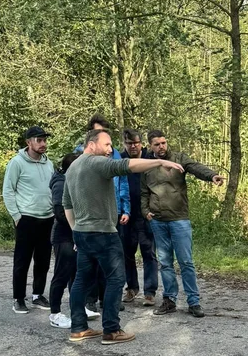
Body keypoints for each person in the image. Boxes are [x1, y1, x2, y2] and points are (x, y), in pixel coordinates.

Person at [63, 128, 184, 344]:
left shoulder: (73, 167)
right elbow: (126, 165)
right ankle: (111, 330)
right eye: (107, 144)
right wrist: (158, 162)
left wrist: (75, 230)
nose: (111, 149)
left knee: (81, 279)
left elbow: (67, 204)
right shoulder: (95, 162)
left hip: (82, 233)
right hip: (103, 234)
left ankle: (78, 328)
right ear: (91, 144)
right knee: (116, 278)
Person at [142, 129, 224, 318]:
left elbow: (196, 167)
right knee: (165, 262)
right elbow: (144, 192)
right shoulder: (147, 165)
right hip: (158, 220)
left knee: (186, 262)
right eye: (157, 144)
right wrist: (145, 212)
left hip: (179, 219)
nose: (161, 146)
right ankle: (169, 300)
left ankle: (193, 302)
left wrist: (211, 176)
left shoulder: (179, 158)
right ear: (150, 146)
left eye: (163, 143)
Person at [75, 114, 130, 313]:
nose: (107, 145)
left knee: (111, 262)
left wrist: (126, 209)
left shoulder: (113, 153)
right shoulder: (78, 156)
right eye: (98, 132)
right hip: (90, 217)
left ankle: (109, 299)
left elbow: (122, 180)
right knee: (89, 265)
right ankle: (91, 301)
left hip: (111, 214)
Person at [2, 125, 55, 314]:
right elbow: (8, 190)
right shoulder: (17, 163)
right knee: (22, 261)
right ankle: (18, 298)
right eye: (39, 140)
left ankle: (37, 295)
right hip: (26, 219)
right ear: (28, 142)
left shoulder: (48, 163)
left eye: (44, 140)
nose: (43, 144)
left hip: (47, 218)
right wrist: (16, 216)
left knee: (43, 260)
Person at [48, 153, 101, 329]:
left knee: (76, 275)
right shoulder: (61, 183)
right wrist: (79, 224)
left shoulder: (77, 180)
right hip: (64, 236)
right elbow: (60, 211)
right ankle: (54, 313)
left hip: (77, 234)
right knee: (62, 275)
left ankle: (77, 308)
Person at [121, 128, 158, 306]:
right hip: (125, 214)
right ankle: (131, 287)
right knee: (126, 253)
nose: (133, 146)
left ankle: (149, 292)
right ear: (124, 144)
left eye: (136, 143)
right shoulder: (119, 160)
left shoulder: (150, 159)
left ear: (141, 143)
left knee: (149, 253)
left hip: (146, 214)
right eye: (129, 143)